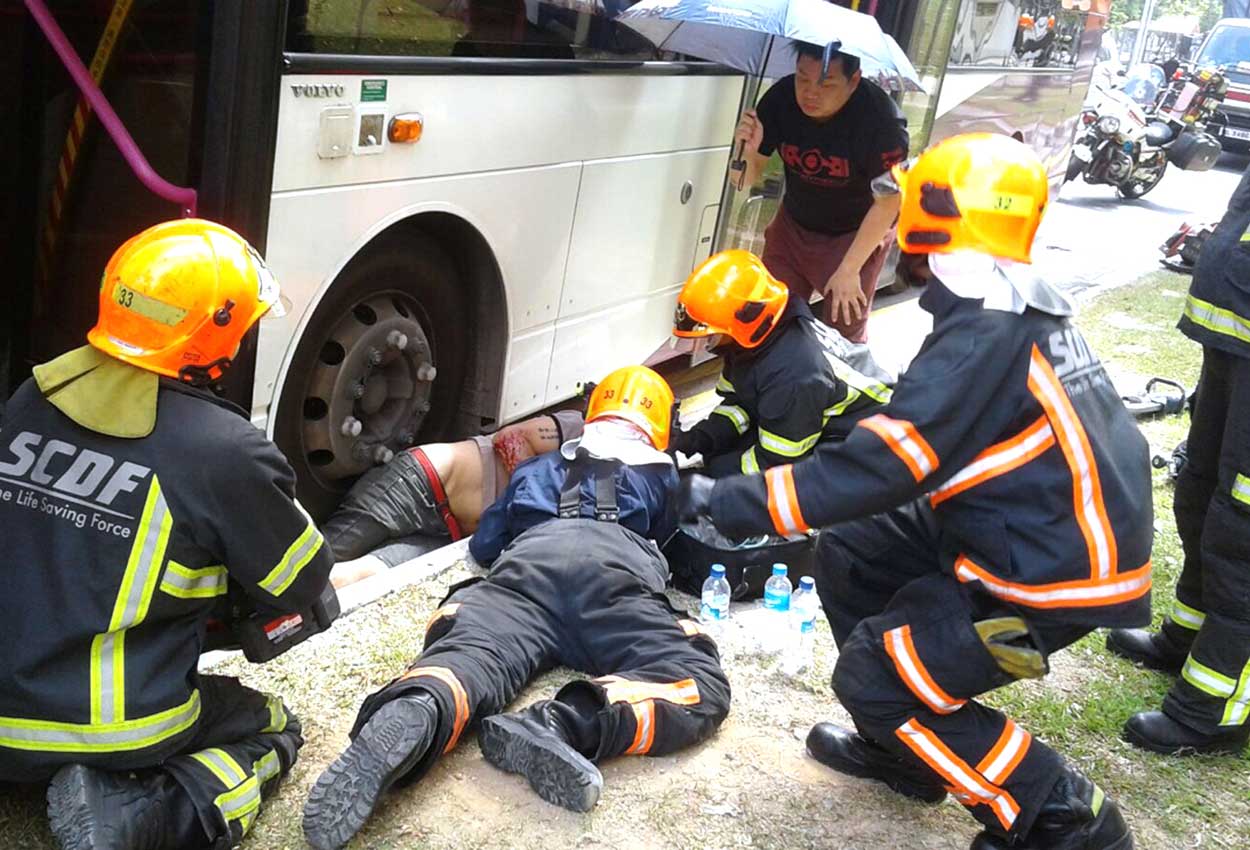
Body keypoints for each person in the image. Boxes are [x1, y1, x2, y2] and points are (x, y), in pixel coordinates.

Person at [679, 134, 1153, 849]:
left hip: (1044, 585)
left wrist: (716, 498)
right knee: (852, 550)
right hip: (1024, 529)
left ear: (939, 215)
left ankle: (1060, 815)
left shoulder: (986, 330)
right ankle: (906, 739)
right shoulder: (1000, 303)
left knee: (873, 674)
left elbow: (886, 464)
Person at [0, 220, 334, 850]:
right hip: (107, 727)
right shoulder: (224, 452)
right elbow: (304, 583)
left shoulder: (33, 396)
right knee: (271, 727)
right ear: (217, 337)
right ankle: (141, 816)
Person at [302, 366, 730, 850]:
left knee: (469, 655)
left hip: (525, 571)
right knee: (698, 683)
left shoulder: (535, 470)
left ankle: (422, 703)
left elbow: (487, 546)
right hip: (612, 580)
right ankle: (562, 723)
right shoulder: (665, 475)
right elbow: (685, 543)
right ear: (657, 428)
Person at [1107, 163, 1250, 756]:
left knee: (1242, 528)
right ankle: (1187, 640)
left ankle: (1214, 707)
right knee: (1199, 495)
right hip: (1236, 335)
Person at [731, 42, 910, 342]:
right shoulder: (780, 100)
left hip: (855, 234)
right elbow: (742, 181)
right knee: (769, 320)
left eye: (826, 83)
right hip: (793, 226)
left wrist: (850, 269)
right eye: (802, 78)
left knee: (842, 332)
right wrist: (745, 152)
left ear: (854, 81)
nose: (810, 92)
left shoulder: (882, 122)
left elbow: (889, 203)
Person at [669, 249, 892, 477]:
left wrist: (707, 481)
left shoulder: (794, 372)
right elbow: (740, 403)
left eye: (710, 337)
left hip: (863, 447)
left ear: (745, 321)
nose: (708, 345)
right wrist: (700, 438)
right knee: (722, 453)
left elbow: (778, 464)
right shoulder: (751, 345)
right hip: (811, 421)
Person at [323, 410, 585, 587]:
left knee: (363, 575)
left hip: (449, 532)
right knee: (319, 561)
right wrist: (534, 498)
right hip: (419, 484)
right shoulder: (577, 427)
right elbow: (510, 437)